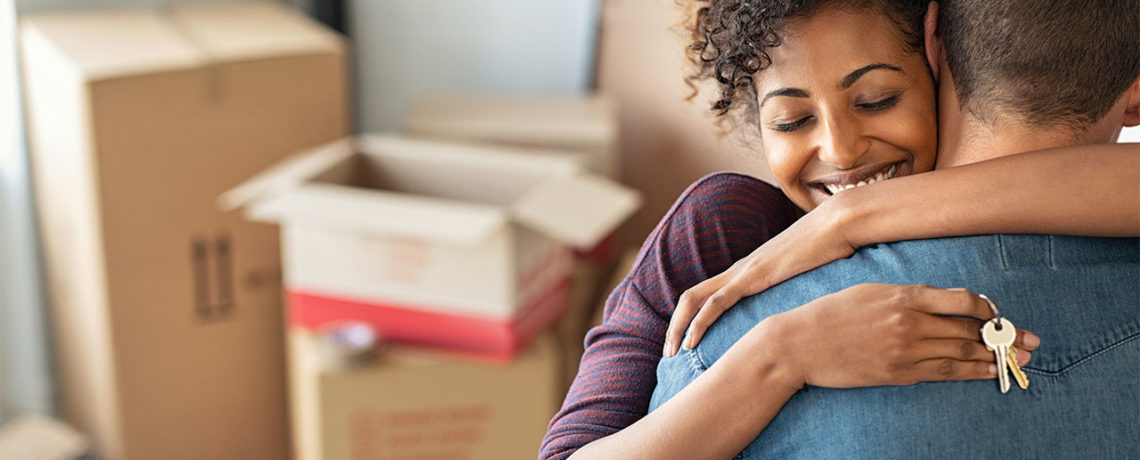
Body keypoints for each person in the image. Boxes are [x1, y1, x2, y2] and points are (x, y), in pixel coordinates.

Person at [540, 0, 1139, 458]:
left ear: (935, 58)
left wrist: (851, 217)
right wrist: (781, 355)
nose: (843, 150)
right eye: (793, 119)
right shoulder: (723, 233)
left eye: (877, 99)